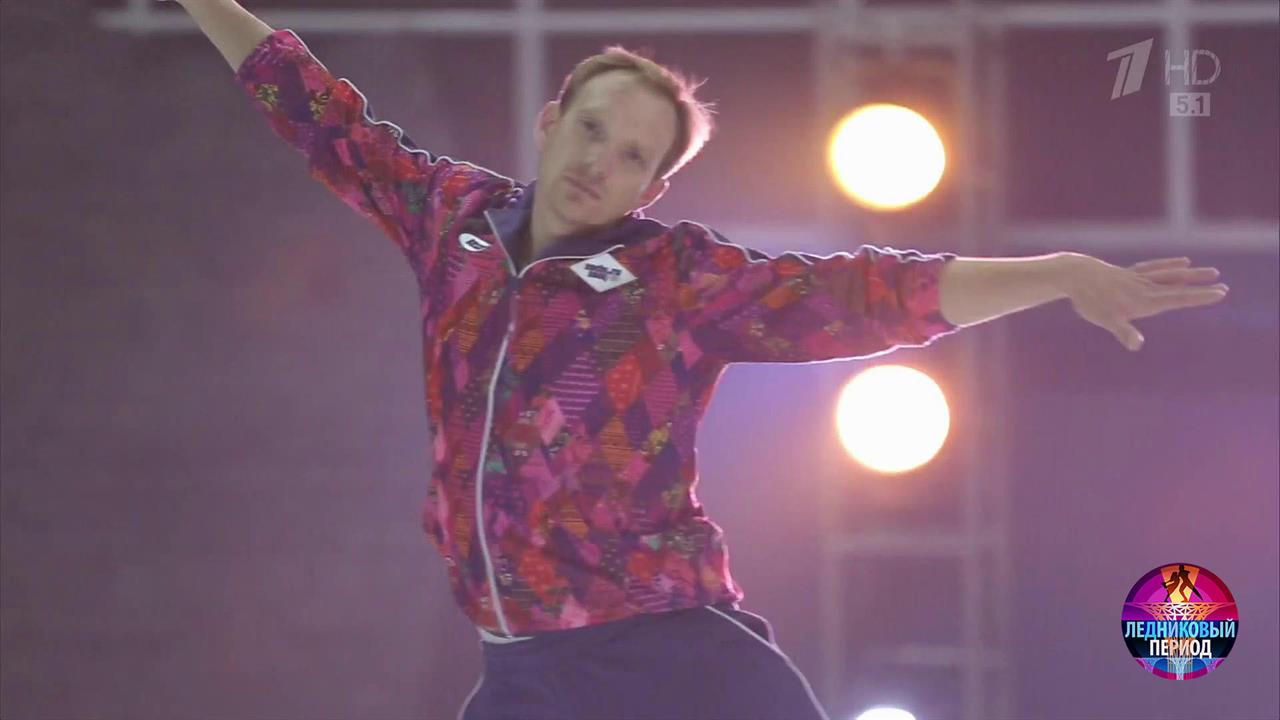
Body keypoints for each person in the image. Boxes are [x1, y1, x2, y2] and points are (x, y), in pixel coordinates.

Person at [168, 2, 1230, 718]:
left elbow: (860, 296)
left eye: (632, 155)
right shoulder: (452, 218)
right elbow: (319, 114)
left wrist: (1055, 272)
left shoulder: (672, 280)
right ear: (551, 122)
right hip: (523, 665)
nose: (600, 162)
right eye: (592, 131)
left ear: (652, 189)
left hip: (673, 654)